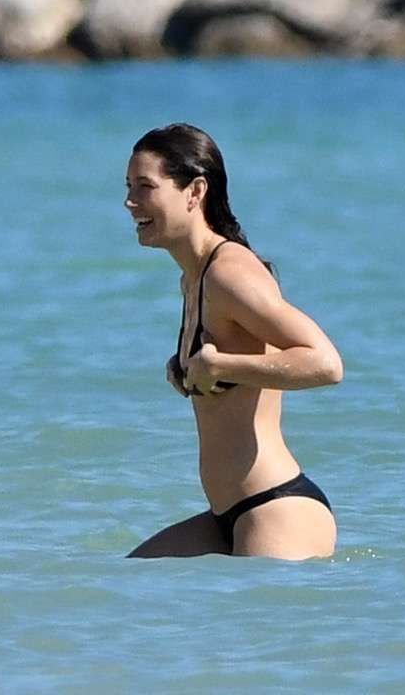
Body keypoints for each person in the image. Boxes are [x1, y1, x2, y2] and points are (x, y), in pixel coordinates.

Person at [124, 123, 343, 560]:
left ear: (195, 191)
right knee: (128, 581)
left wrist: (221, 367)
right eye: (128, 187)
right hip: (226, 516)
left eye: (145, 187)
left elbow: (325, 363)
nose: (130, 202)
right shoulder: (194, 279)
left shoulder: (228, 273)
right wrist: (185, 368)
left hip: (276, 509)